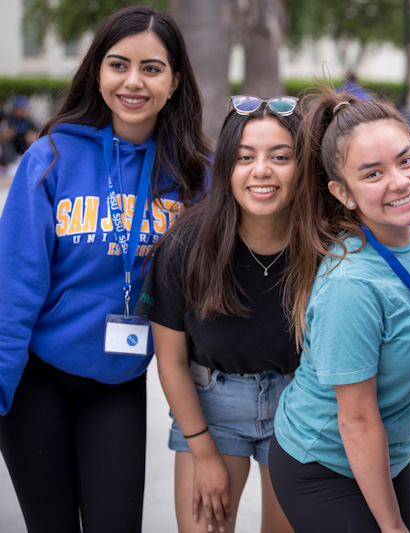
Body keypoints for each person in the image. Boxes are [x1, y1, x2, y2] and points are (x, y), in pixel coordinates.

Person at [0, 7, 211, 532]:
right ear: (98, 71)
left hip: (117, 382)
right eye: (118, 64)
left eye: (152, 68)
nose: (133, 81)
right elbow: (14, 286)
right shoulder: (51, 157)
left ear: (175, 79)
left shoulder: (194, 174)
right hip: (34, 380)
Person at [269, 88, 410, 533]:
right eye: (373, 173)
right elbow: (357, 419)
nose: (400, 181)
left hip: (388, 453)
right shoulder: (351, 286)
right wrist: (391, 526)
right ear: (343, 193)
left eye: (406, 160)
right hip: (325, 463)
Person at [135, 95, 300, 533]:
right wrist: (202, 451)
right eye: (245, 157)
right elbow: (169, 360)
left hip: (300, 405)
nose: (261, 170)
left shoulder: (322, 248)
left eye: (280, 156)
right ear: (225, 164)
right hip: (210, 404)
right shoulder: (187, 244)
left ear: (303, 167)